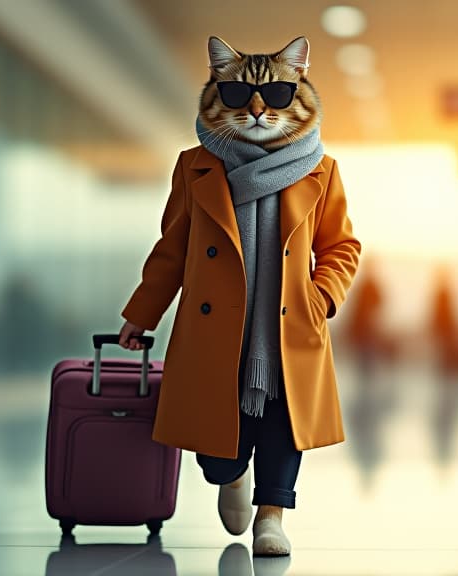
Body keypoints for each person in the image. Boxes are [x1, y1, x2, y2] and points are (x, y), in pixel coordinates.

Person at [117, 36, 361, 557]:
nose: (256, 109)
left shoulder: (322, 169)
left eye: (274, 96)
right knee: (217, 451)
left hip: (288, 328)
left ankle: (271, 517)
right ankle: (230, 478)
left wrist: (322, 298)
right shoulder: (194, 166)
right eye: (238, 96)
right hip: (214, 331)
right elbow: (173, 248)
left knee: (283, 425)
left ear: (299, 96)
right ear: (215, 95)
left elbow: (341, 246)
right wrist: (142, 314)